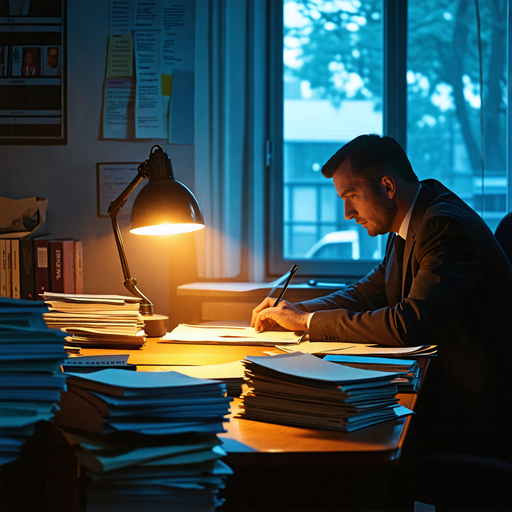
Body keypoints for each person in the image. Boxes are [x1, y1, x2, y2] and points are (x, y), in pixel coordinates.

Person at [252, 134, 512, 462]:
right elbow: (366, 292)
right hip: (446, 386)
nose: (347, 212)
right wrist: (293, 311)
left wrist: (306, 322)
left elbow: (408, 323)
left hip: (476, 405)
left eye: (351, 196)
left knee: (349, 444)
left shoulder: (443, 225)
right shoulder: (410, 221)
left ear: (387, 186)